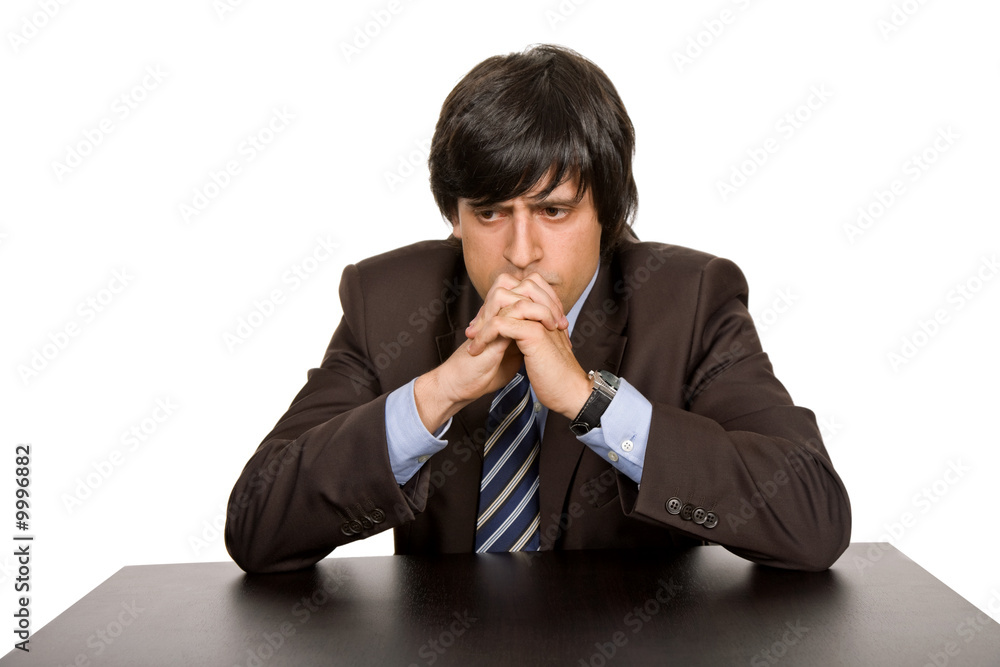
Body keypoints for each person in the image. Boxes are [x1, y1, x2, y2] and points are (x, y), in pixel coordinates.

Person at [224, 44, 851, 574]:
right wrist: (438, 392)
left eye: (553, 211)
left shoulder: (690, 301)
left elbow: (812, 518)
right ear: (454, 216)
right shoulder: (386, 300)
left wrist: (589, 401)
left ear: (608, 211)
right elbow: (256, 525)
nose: (521, 252)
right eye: (490, 213)